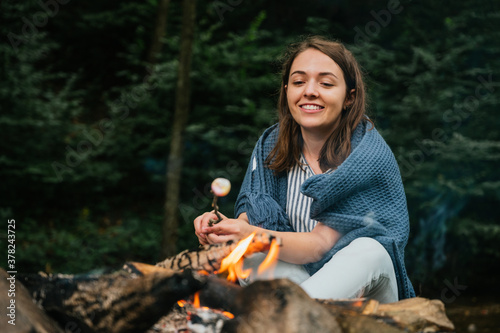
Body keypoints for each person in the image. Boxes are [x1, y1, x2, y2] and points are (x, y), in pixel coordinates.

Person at [194, 36, 415, 302]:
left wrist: (250, 235)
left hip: (368, 294)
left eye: (326, 83)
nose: (309, 91)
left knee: (369, 249)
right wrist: (225, 229)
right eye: (299, 82)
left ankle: (284, 321)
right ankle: (294, 320)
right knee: (252, 252)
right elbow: (253, 218)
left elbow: (319, 246)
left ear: (349, 97)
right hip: (307, 290)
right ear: (287, 90)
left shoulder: (366, 156)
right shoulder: (271, 145)